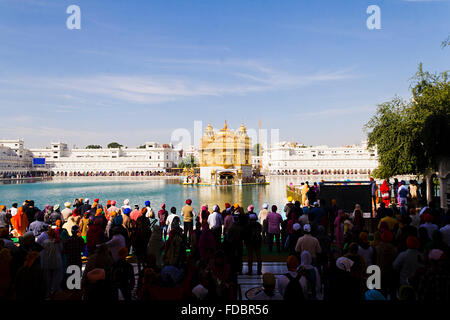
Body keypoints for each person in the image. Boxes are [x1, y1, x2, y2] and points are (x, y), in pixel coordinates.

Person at [40, 228, 63, 298]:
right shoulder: (57, 242)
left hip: (47, 262)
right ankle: (55, 292)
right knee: (56, 278)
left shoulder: (45, 242)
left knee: (48, 279)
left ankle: (48, 293)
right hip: (56, 261)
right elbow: (61, 249)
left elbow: (42, 253)